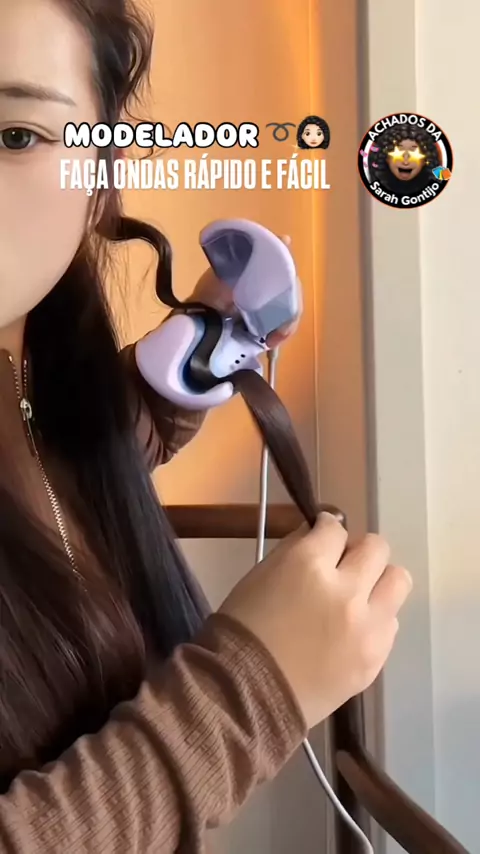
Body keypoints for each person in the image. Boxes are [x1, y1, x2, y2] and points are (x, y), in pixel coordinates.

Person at [0, 0, 413, 850]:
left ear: (102, 171)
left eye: (15, 136)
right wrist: (252, 689)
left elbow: (34, 496)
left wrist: (167, 391)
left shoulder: (29, 364)